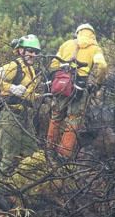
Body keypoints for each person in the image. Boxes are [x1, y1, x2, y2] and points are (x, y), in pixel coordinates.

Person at [0, 34, 42, 182]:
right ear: (21, 51)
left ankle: (28, 185)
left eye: (36, 52)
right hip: (11, 115)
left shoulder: (31, 70)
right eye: (30, 50)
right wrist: (11, 88)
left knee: (33, 153)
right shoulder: (13, 66)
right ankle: (0, 187)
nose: (33, 55)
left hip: (25, 117)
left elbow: (26, 93)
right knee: (10, 154)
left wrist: (39, 96)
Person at [46, 23, 108, 157]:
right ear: (92, 34)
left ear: (78, 32)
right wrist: (96, 83)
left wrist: (56, 79)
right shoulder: (95, 48)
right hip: (80, 87)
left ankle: (49, 150)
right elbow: (102, 66)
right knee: (74, 120)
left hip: (62, 85)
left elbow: (53, 64)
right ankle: (63, 155)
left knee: (56, 116)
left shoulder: (66, 44)